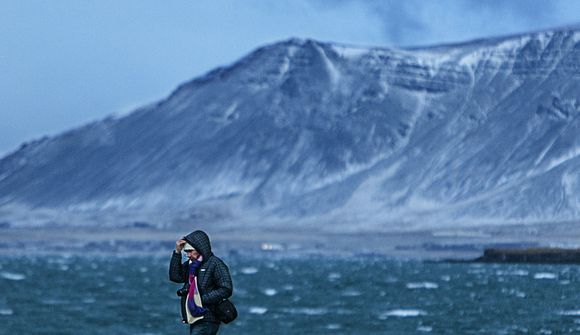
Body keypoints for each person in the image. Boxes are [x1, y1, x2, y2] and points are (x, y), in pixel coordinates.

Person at [169, 230, 233, 335]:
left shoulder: (215, 264)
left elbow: (226, 289)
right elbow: (175, 277)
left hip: (208, 318)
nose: (188, 255)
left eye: (190, 251)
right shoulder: (192, 265)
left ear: (200, 249)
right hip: (195, 317)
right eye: (186, 252)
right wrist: (177, 252)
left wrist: (200, 299)